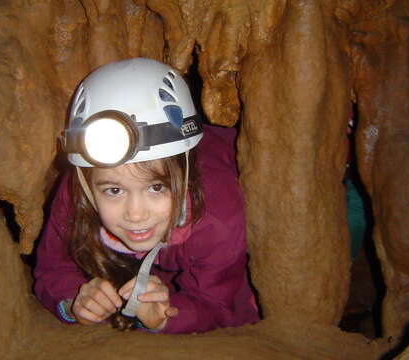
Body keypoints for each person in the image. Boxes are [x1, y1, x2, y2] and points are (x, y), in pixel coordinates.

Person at [34, 58, 259, 334]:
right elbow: (52, 269)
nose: (136, 214)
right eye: (114, 191)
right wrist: (73, 301)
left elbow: (222, 305)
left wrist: (168, 317)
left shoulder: (217, 215)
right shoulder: (77, 192)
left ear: (184, 174)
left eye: (156, 187)